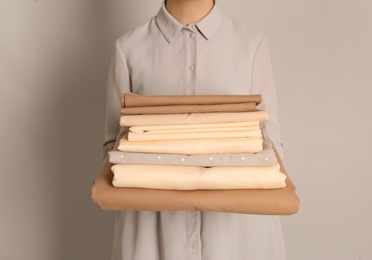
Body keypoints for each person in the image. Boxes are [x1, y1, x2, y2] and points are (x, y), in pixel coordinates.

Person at [103, 0, 286, 259]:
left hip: (236, 235)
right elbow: (113, 151)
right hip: (152, 235)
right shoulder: (129, 49)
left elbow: (272, 147)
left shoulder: (251, 46)